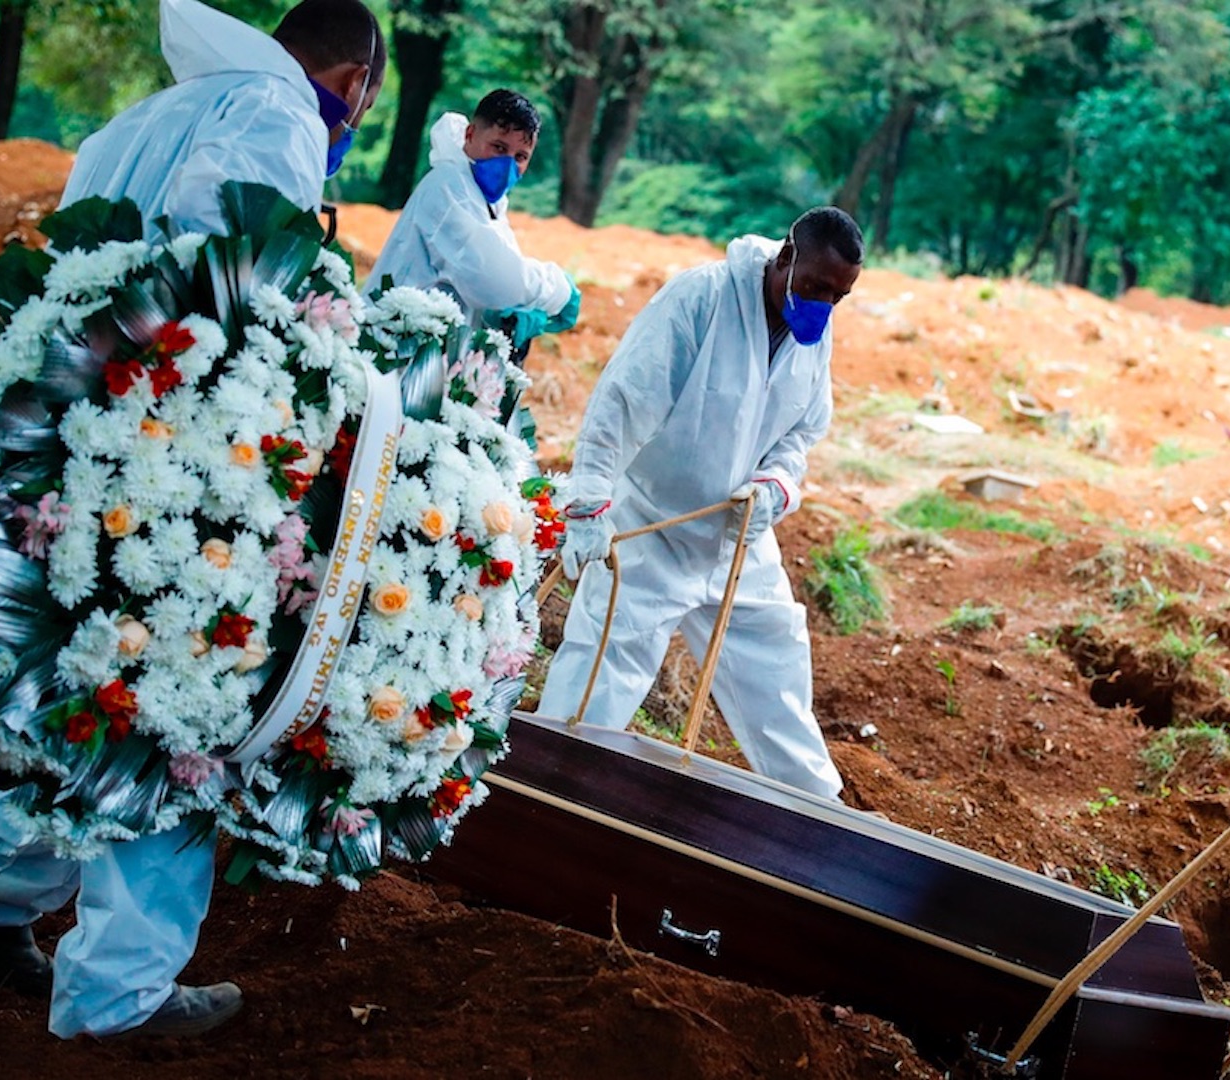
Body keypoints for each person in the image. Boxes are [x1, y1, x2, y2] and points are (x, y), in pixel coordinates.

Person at [0, 0, 385, 1041]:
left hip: (75, 434)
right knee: (182, 707)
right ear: (354, 83)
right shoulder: (284, 115)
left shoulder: (146, 114)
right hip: (176, 450)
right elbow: (229, 271)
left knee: (82, 683)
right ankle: (117, 992)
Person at [535, 208, 864, 801]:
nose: (824, 304)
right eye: (817, 287)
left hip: (738, 537)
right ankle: (549, 790)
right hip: (652, 526)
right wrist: (587, 505)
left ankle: (820, 815)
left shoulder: (816, 330)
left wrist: (775, 488)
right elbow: (621, 404)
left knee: (776, 669)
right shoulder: (701, 299)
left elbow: (801, 432)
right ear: (785, 258)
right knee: (602, 670)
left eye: (839, 297)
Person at [369, 89, 577, 326]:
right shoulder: (450, 188)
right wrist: (558, 289)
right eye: (499, 147)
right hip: (395, 345)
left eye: (520, 157)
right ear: (470, 134)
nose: (506, 164)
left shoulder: (486, 201)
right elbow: (494, 281)